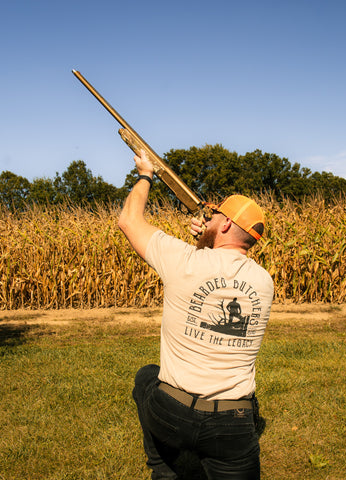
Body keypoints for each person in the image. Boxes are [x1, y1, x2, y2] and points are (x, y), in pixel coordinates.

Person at [118, 150, 274, 480]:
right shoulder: (264, 282)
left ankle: (162, 468)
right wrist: (206, 239)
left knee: (146, 376)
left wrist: (146, 173)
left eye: (215, 214)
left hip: (170, 414)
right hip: (232, 424)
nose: (210, 216)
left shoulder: (184, 261)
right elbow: (219, 273)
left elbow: (129, 221)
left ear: (227, 223)